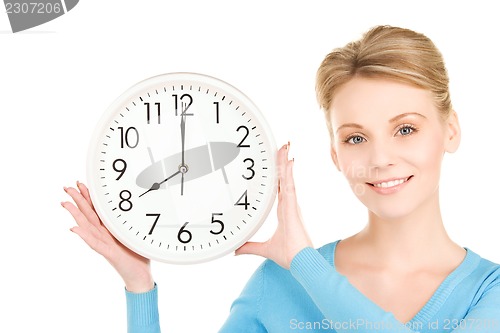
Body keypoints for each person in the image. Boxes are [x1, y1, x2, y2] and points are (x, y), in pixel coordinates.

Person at [62, 25, 500, 332]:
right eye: (355, 138)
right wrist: (140, 287)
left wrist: (305, 265)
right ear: (335, 155)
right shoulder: (281, 282)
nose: (380, 158)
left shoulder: (489, 292)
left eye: (405, 129)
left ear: (451, 130)